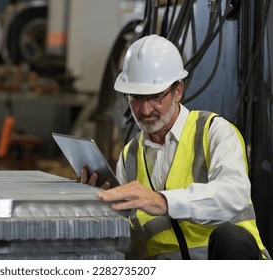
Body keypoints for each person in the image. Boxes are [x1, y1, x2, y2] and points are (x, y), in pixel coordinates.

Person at [81, 34, 270, 260]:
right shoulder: (129, 156)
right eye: (136, 98)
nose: (145, 110)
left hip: (225, 263)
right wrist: (101, 206)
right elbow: (132, 242)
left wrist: (163, 201)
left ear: (178, 91)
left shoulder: (214, 131)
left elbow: (233, 194)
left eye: (155, 97)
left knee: (231, 237)